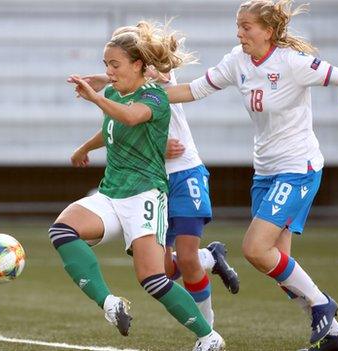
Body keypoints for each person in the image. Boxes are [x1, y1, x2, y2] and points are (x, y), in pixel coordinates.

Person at [163, 1, 338, 350]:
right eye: (238, 26)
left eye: (247, 26)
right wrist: (139, 93)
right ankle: (336, 334)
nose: (239, 33)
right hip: (265, 172)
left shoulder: (293, 63)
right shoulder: (238, 60)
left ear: (269, 30)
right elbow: (192, 90)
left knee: (254, 248)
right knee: (277, 266)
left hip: (298, 168)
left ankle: (322, 303)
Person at [51, 21, 225, 351]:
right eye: (106, 65)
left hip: (145, 195)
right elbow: (114, 127)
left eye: (114, 64)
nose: (109, 71)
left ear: (138, 65)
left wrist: (95, 98)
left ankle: (208, 336)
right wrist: (85, 148)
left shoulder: (156, 97)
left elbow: (130, 117)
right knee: (62, 231)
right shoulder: (116, 93)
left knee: (153, 278)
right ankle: (110, 304)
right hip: (111, 192)